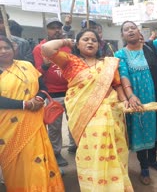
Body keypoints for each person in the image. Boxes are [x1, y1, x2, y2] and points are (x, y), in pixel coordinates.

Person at [41, 29, 133, 191]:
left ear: (99, 45)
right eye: (85, 39)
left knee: (113, 150)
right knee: (91, 150)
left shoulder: (108, 63)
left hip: (111, 112)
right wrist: (65, 42)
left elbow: (117, 85)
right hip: (85, 115)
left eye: (94, 40)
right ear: (77, 43)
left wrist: (125, 101)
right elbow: (47, 49)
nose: (90, 42)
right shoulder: (69, 61)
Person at [115, 20, 157, 185]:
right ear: (122, 35)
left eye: (132, 28)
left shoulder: (150, 47)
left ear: (139, 32)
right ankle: (144, 167)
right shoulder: (120, 55)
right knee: (141, 131)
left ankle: (153, 160)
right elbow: (123, 76)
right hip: (138, 100)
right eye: (126, 29)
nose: (130, 31)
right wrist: (130, 96)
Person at [0, 35, 64, 191]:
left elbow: (43, 87)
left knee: (37, 159)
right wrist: (24, 104)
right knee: (16, 163)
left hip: (34, 119)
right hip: (8, 127)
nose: (3, 51)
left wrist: (38, 98)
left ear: (13, 48)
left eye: (6, 47)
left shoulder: (26, 65)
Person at [33, 17, 77, 167]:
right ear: (46, 30)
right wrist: (45, 66)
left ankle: (74, 145)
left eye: (58, 27)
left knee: (74, 122)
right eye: (52, 27)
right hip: (52, 95)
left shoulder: (68, 47)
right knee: (54, 126)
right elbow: (36, 74)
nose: (56, 30)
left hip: (71, 92)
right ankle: (56, 153)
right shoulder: (39, 49)